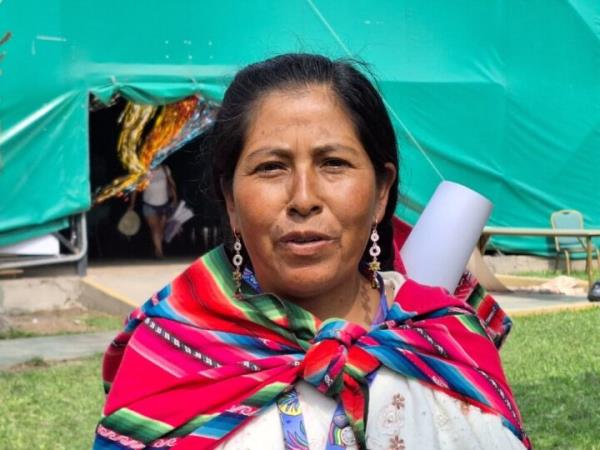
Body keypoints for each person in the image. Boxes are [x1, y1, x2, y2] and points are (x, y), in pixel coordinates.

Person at [94, 54, 530, 450]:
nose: (304, 197)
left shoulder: (444, 338)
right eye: (271, 167)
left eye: (333, 163)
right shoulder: (172, 353)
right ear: (231, 200)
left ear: (381, 192)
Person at [129, 164, 177, 258]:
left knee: (161, 230)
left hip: (165, 205)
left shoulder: (165, 168)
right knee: (155, 229)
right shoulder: (143, 171)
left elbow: (172, 183)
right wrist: (132, 204)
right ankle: (159, 252)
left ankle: (157, 248)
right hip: (149, 205)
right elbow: (135, 189)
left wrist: (175, 199)